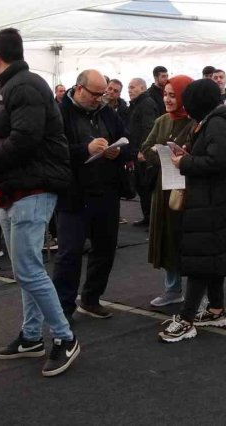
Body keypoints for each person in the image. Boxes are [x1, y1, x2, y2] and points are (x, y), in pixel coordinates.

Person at [0, 28, 80, 377]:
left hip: (31, 188)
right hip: (19, 188)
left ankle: (65, 338)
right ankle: (32, 336)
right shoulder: (16, 85)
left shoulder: (22, 86)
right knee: (27, 266)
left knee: (27, 268)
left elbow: (25, 137)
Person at [158, 79, 226, 343]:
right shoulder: (216, 121)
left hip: (213, 203)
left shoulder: (216, 124)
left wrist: (184, 161)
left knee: (200, 261)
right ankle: (216, 310)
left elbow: (217, 161)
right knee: (213, 259)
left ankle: (186, 320)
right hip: (218, 202)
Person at [54, 69, 129, 320]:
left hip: (106, 190)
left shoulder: (106, 112)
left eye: (103, 94)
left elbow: (127, 138)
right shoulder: (59, 112)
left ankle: (91, 298)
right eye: (95, 94)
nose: (99, 99)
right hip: (74, 194)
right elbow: (53, 150)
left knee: (105, 248)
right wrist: (84, 149)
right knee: (70, 254)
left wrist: (118, 151)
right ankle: (64, 307)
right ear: (78, 88)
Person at [141, 75, 196, 306]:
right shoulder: (162, 120)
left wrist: (170, 154)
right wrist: (163, 154)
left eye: (173, 95)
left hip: (187, 190)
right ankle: (173, 289)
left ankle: (196, 292)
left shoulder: (195, 122)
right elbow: (145, 149)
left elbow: (194, 155)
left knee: (187, 239)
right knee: (167, 238)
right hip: (164, 188)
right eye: (165, 94)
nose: (167, 99)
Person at [128, 77, 162, 227]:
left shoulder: (146, 104)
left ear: (142, 88)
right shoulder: (137, 104)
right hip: (137, 151)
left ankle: (152, 219)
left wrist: (143, 150)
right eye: (129, 87)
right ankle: (147, 217)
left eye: (133, 87)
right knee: (141, 186)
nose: (129, 90)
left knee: (147, 186)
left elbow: (149, 128)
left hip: (143, 153)